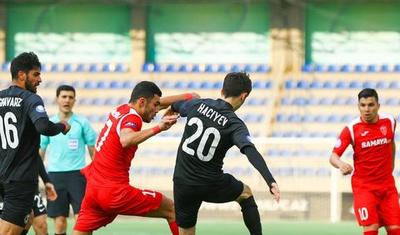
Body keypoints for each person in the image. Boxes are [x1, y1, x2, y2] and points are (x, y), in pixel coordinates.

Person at [72, 81, 199, 235]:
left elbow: (166, 102)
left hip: (93, 190)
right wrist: (160, 127)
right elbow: (126, 139)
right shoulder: (133, 118)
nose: (157, 110)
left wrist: (181, 100)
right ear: (142, 102)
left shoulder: (122, 109)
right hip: (114, 192)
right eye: (155, 105)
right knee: (172, 209)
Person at [170, 72, 280, 235]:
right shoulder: (235, 124)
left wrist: (169, 111)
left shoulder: (197, 104)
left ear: (222, 90)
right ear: (243, 96)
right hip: (210, 184)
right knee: (246, 193)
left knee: (186, 232)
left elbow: (177, 105)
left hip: (182, 182)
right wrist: (270, 180)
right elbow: (250, 151)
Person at [0, 52, 70, 235]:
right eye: (36, 74)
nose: (40, 79)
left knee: (30, 219)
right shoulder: (30, 99)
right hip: (21, 180)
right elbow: (43, 126)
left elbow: (28, 148)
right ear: (22, 75)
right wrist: (61, 126)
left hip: (4, 176)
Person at [329, 88, 400, 235]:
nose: (366, 109)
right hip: (364, 188)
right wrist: (342, 165)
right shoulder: (351, 129)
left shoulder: (390, 122)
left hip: (387, 186)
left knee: (395, 229)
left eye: (370, 105)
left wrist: (390, 168)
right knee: (371, 228)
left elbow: (391, 144)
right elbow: (333, 156)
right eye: (363, 105)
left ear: (378, 106)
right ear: (358, 107)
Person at [39, 85, 97, 235]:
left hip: (78, 176)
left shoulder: (82, 123)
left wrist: (97, 175)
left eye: (70, 97)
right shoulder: (49, 124)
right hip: (55, 176)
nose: (67, 100)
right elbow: (41, 152)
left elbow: (93, 150)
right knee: (59, 222)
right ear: (57, 99)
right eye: (64, 97)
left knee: (82, 220)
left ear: (75, 100)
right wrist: (37, 176)